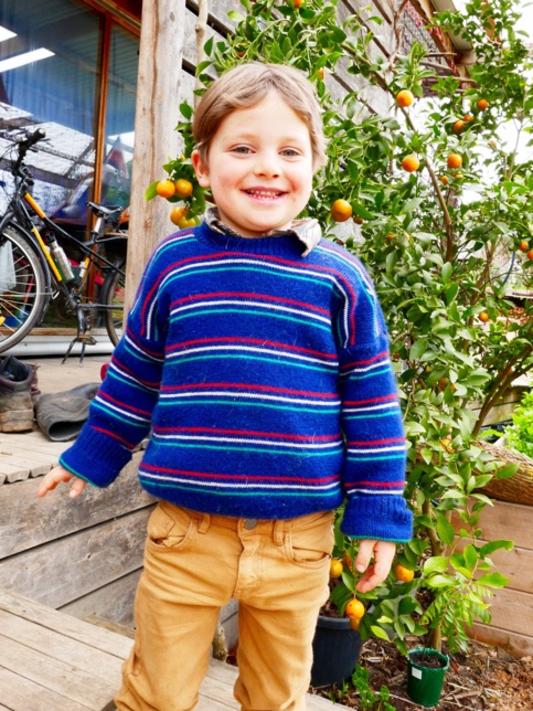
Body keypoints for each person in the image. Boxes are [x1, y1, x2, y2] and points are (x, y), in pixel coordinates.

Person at [37, 62, 413, 711]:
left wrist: (379, 513)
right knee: (154, 691)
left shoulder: (339, 280)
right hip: (187, 532)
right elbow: (134, 370)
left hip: (297, 539)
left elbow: (372, 402)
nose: (267, 166)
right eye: (243, 148)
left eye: (288, 151)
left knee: (276, 694)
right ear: (205, 166)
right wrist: (90, 452)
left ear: (312, 166)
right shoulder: (175, 265)